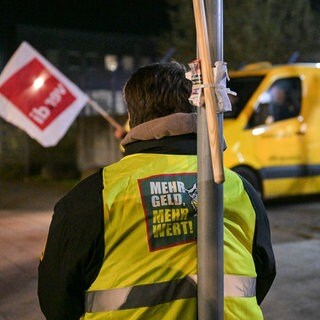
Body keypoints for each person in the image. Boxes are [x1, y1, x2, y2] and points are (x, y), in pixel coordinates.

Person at [38, 62, 276, 319]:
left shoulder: (92, 198)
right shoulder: (239, 189)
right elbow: (262, 275)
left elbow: (57, 299)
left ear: (133, 116)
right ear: (194, 106)